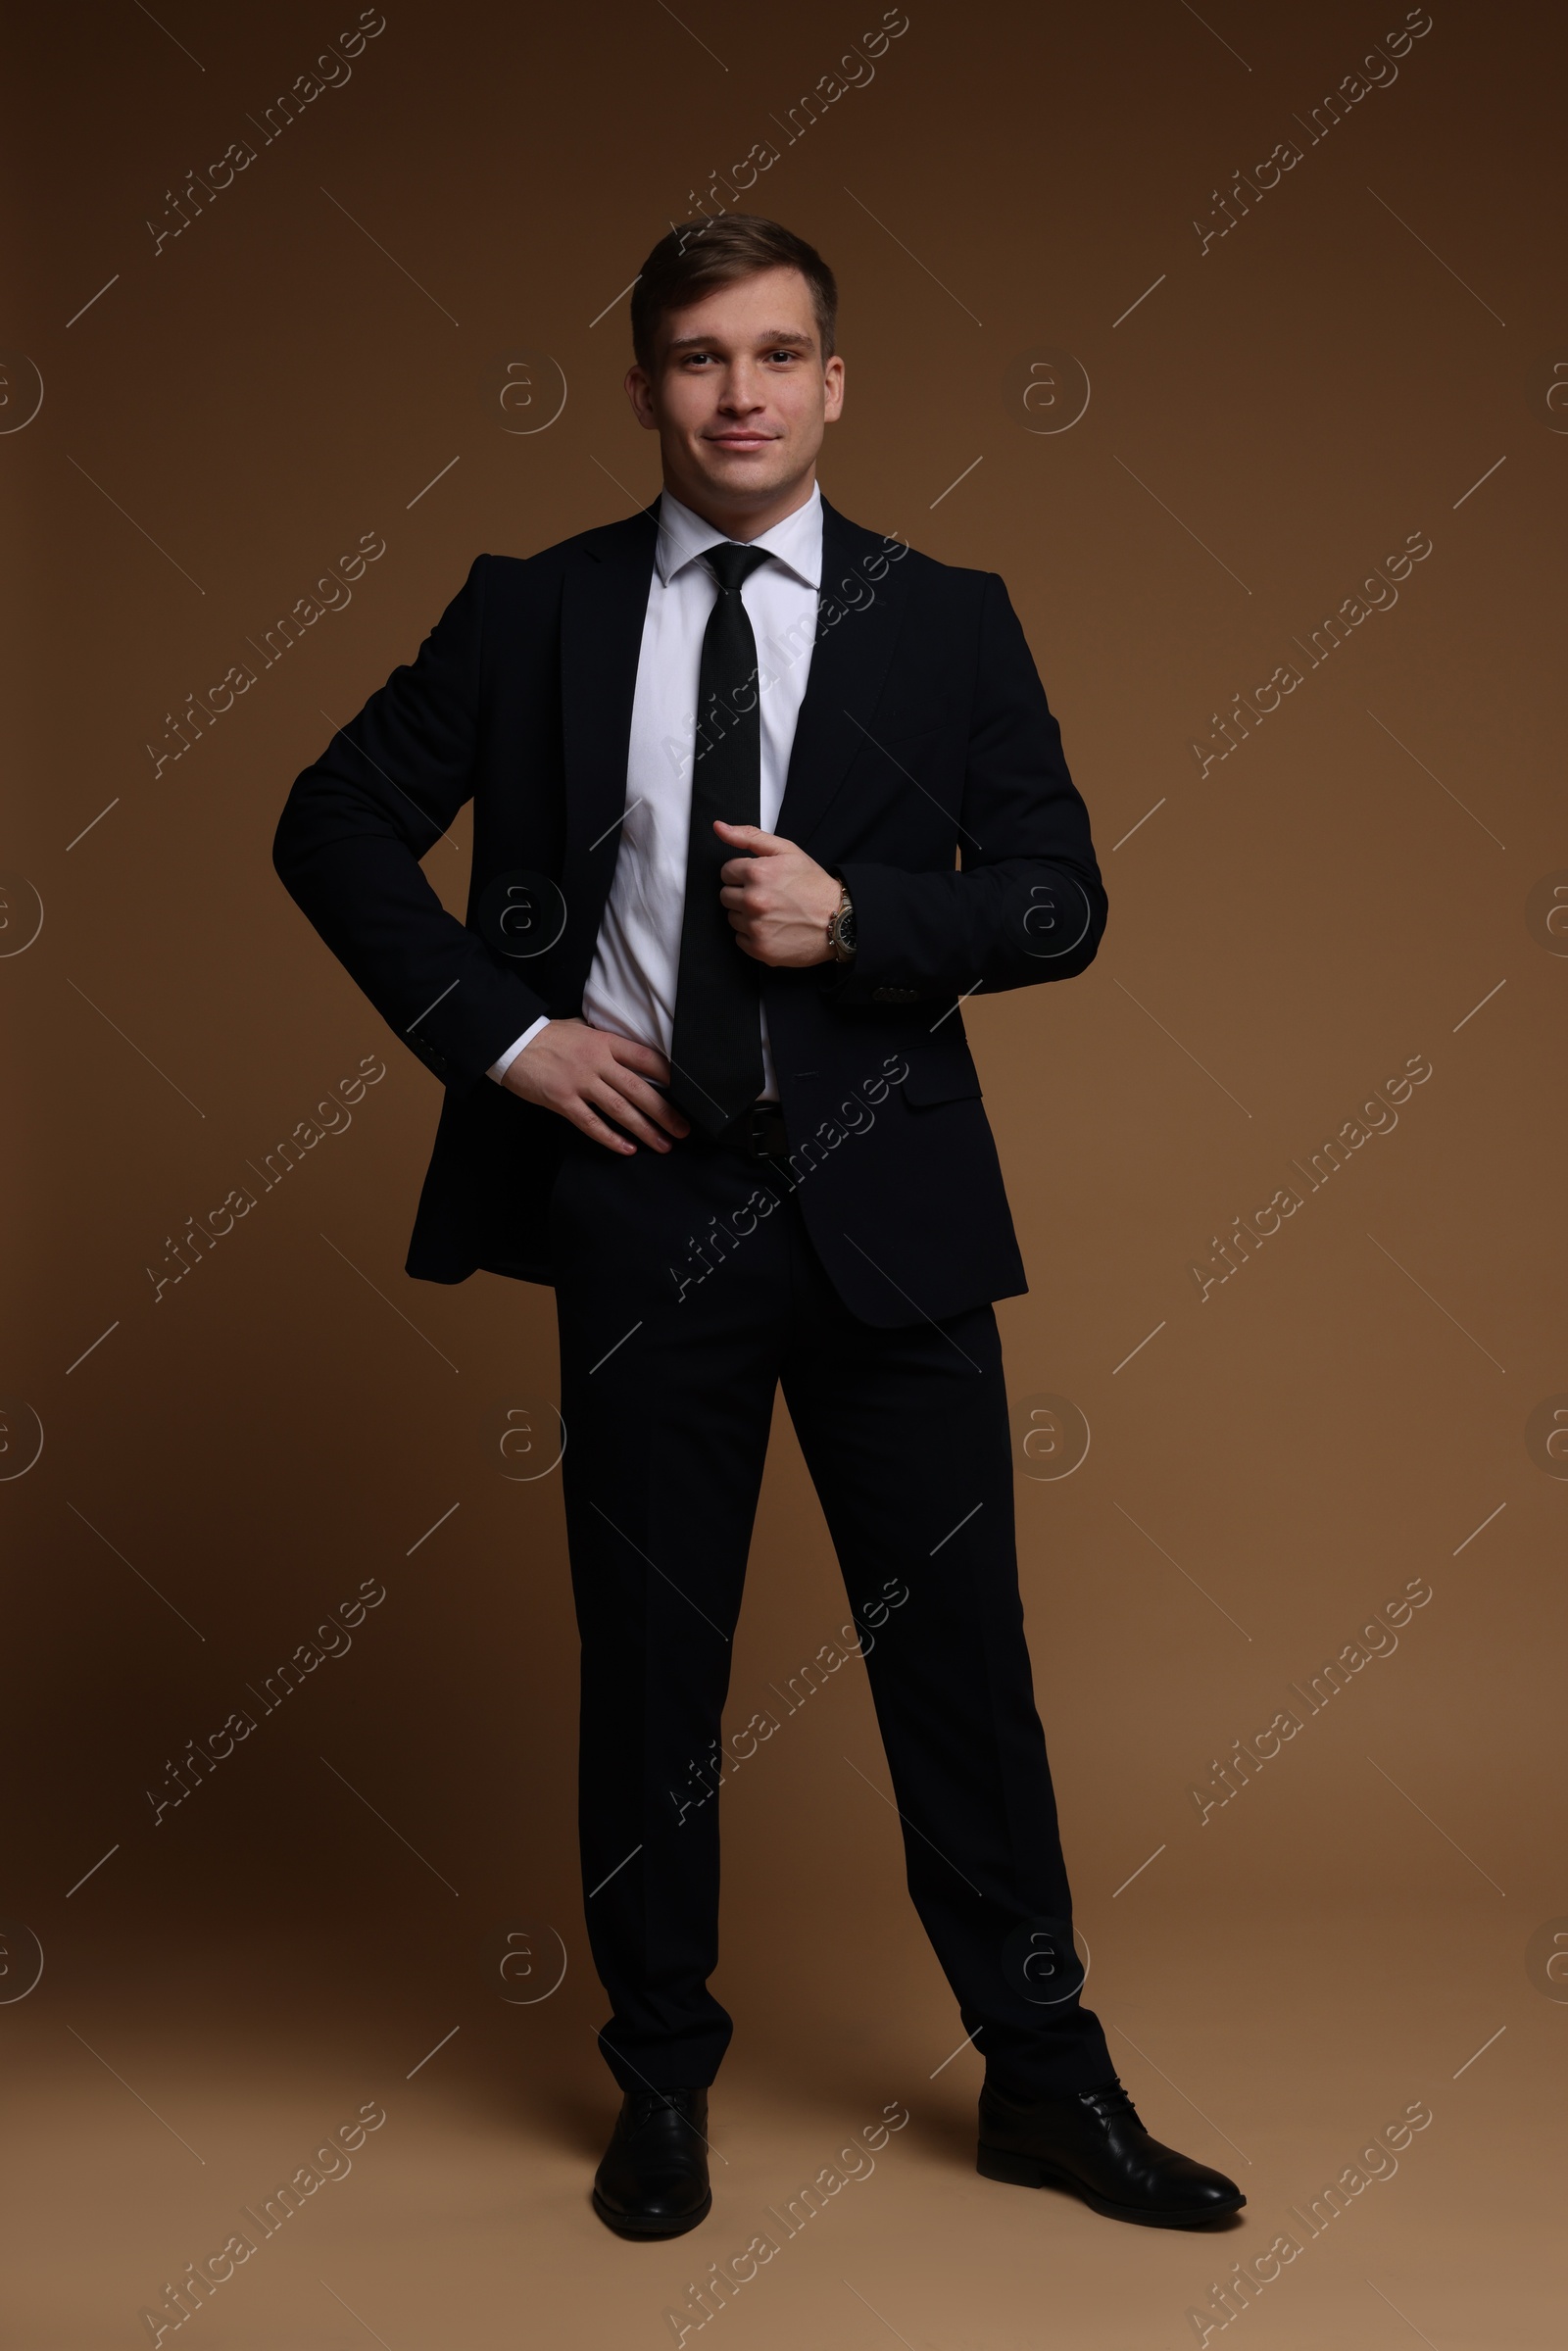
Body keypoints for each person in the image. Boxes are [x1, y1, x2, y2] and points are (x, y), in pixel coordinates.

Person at [272, 214, 1243, 2241]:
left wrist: (865, 919)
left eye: (778, 355)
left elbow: (1061, 896)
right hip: (642, 1205)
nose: (740, 393)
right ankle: (657, 2086)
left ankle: (1047, 2087)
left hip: (886, 1215)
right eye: (700, 357)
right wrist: (507, 1037)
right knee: (648, 1671)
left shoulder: (945, 614)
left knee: (960, 1670)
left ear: (832, 385)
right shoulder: (529, 611)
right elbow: (330, 821)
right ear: (641, 387)